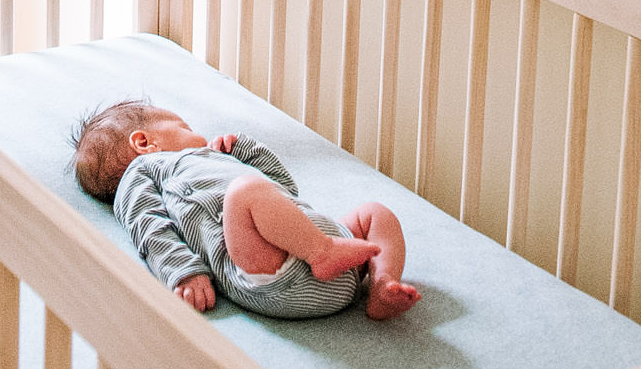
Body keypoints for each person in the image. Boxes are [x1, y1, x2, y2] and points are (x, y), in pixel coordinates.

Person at [72, 101, 419, 321]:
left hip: (323, 247)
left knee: (374, 213)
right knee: (245, 191)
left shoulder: (216, 159)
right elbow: (149, 228)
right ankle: (322, 253)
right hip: (262, 266)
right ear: (144, 142)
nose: (197, 134)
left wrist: (245, 152)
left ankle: (382, 283)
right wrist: (184, 272)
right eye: (185, 128)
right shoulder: (143, 172)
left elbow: (284, 190)